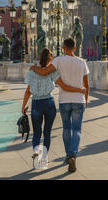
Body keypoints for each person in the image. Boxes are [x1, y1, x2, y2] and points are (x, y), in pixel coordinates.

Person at [30, 38, 90, 173]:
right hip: (78, 100)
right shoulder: (82, 62)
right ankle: (73, 154)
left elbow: (44, 72)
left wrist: (33, 67)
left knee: (66, 128)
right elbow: (86, 84)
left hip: (64, 101)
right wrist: (85, 99)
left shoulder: (58, 60)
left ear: (63, 48)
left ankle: (68, 155)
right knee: (77, 130)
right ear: (75, 48)